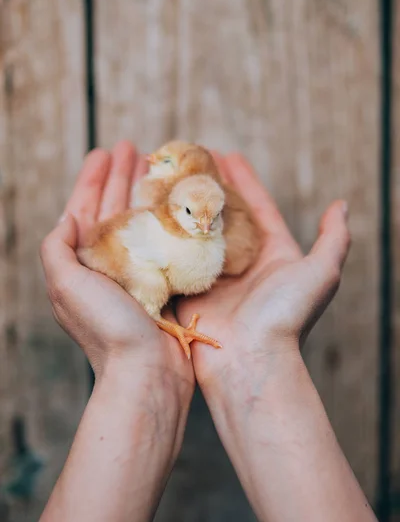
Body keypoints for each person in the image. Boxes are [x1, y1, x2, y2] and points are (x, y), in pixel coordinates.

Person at [39, 141, 377, 522]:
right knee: (150, 280)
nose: (204, 225)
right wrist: (158, 339)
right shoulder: (159, 240)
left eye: (212, 218)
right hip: (142, 266)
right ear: (172, 209)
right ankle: (167, 324)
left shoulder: (206, 231)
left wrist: (139, 371)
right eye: (193, 215)